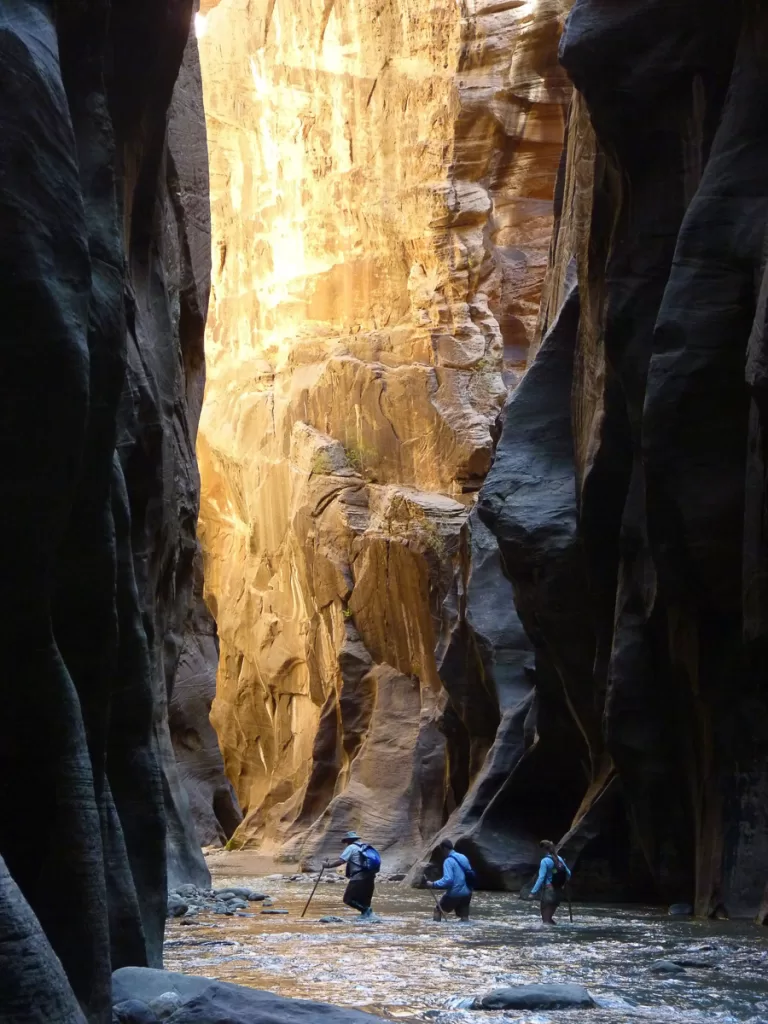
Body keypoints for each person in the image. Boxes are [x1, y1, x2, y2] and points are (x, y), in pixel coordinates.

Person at [324, 831, 376, 919]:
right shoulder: (365, 846)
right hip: (370, 878)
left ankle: (365, 911)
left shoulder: (351, 847)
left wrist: (328, 865)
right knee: (365, 902)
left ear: (348, 840)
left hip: (358, 878)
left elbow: (341, 861)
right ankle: (367, 921)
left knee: (348, 899)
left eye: (346, 842)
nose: (346, 844)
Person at [426, 840, 473, 921]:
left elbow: (448, 880)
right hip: (467, 893)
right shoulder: (463, 857)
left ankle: (437, 929)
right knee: (464, 917)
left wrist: (433, 884)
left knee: (438, 910)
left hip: (455, 893)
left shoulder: (448, 861)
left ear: (444, 849)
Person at [529, 839, 571, 925]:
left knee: (546, 921)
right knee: (549, 919)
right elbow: (569, 873)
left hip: (549, 891)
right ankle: (556, 933)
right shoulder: (559, 859)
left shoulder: (545, 861)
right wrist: (562, 884)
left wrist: (533, 892)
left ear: (543, 850)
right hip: (558, 891)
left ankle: (548, 936)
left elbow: (541, 878)